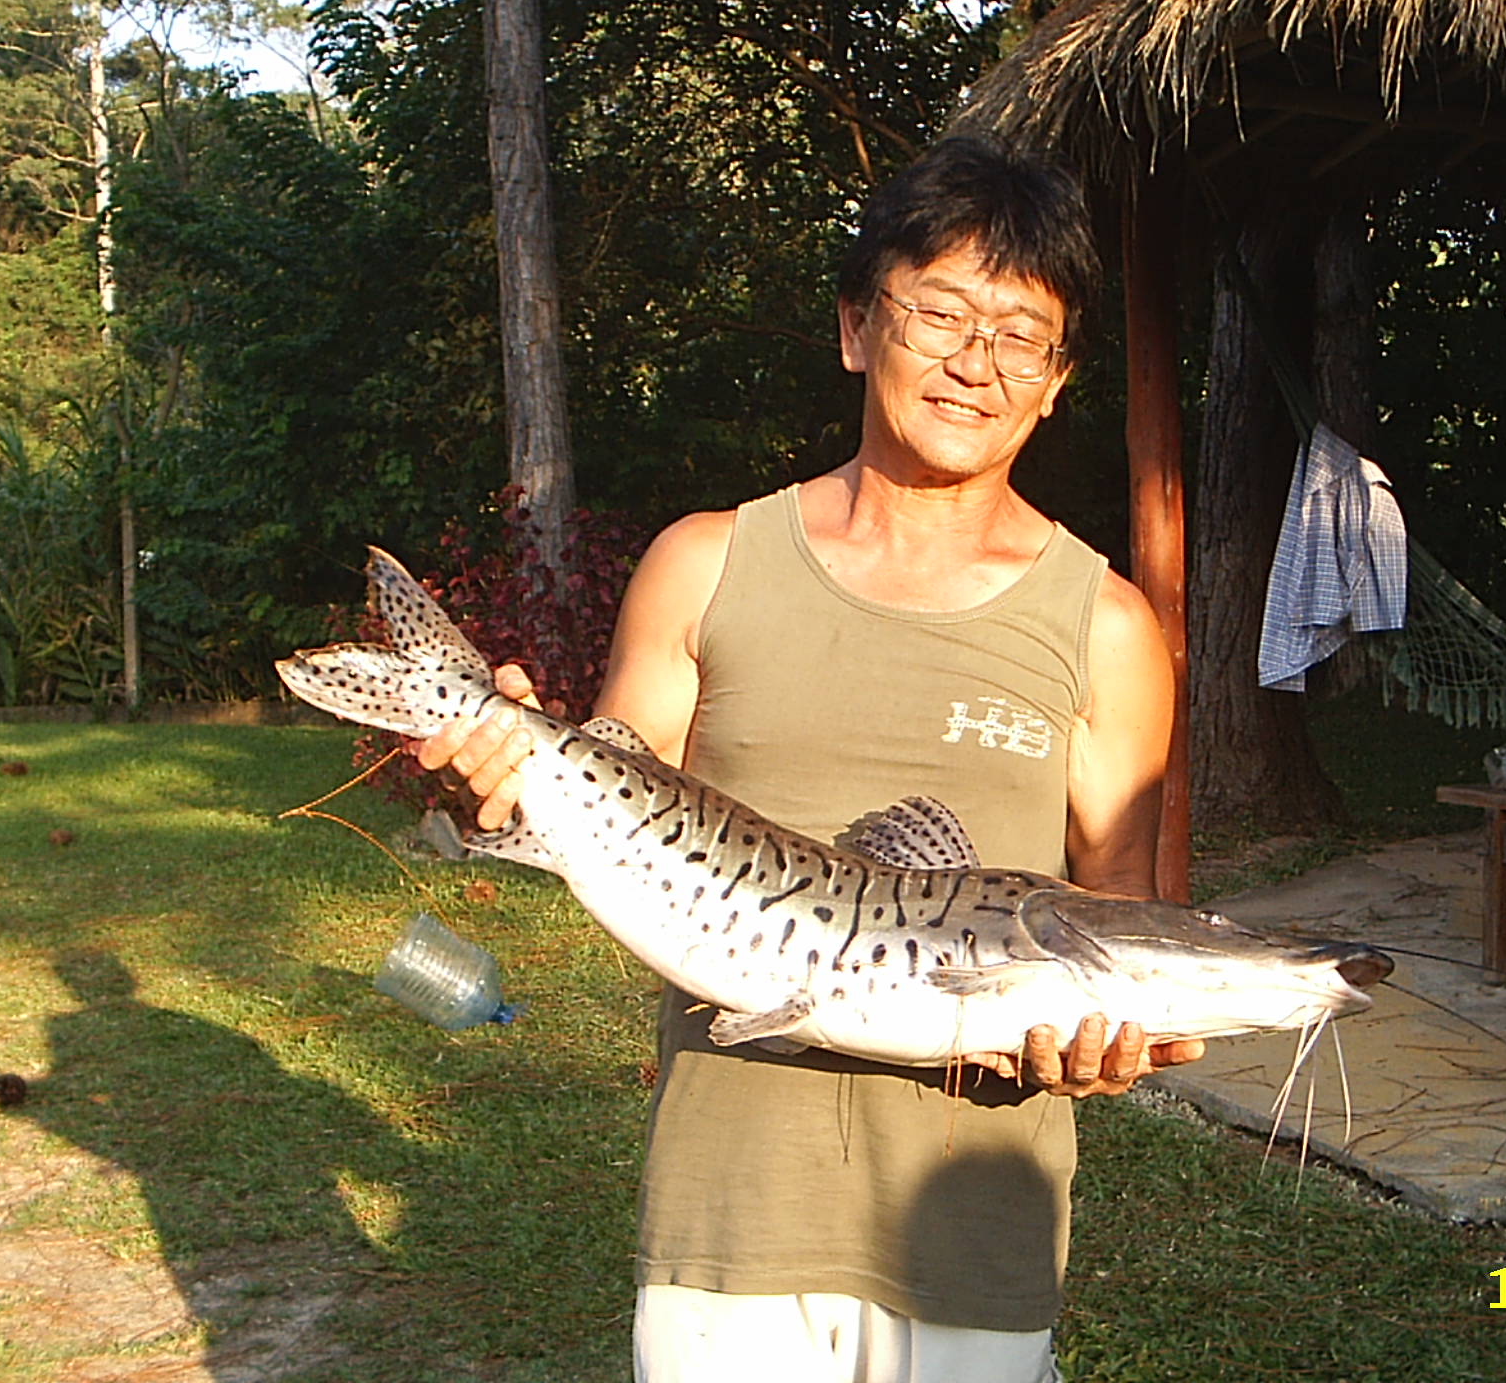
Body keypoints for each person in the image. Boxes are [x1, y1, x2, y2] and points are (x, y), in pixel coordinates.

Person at [418, 132, 1201, 1383]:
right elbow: (593, 790)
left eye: (1018, 335)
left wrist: (1108, 1041)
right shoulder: (705, 562)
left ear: (1055, 381)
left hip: (976, 1219)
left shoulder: (1104, 629)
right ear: (854, 327)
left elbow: (1116, 912)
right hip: (727, 1212)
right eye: (938, 310)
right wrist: (485, 781)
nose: (972, 362)